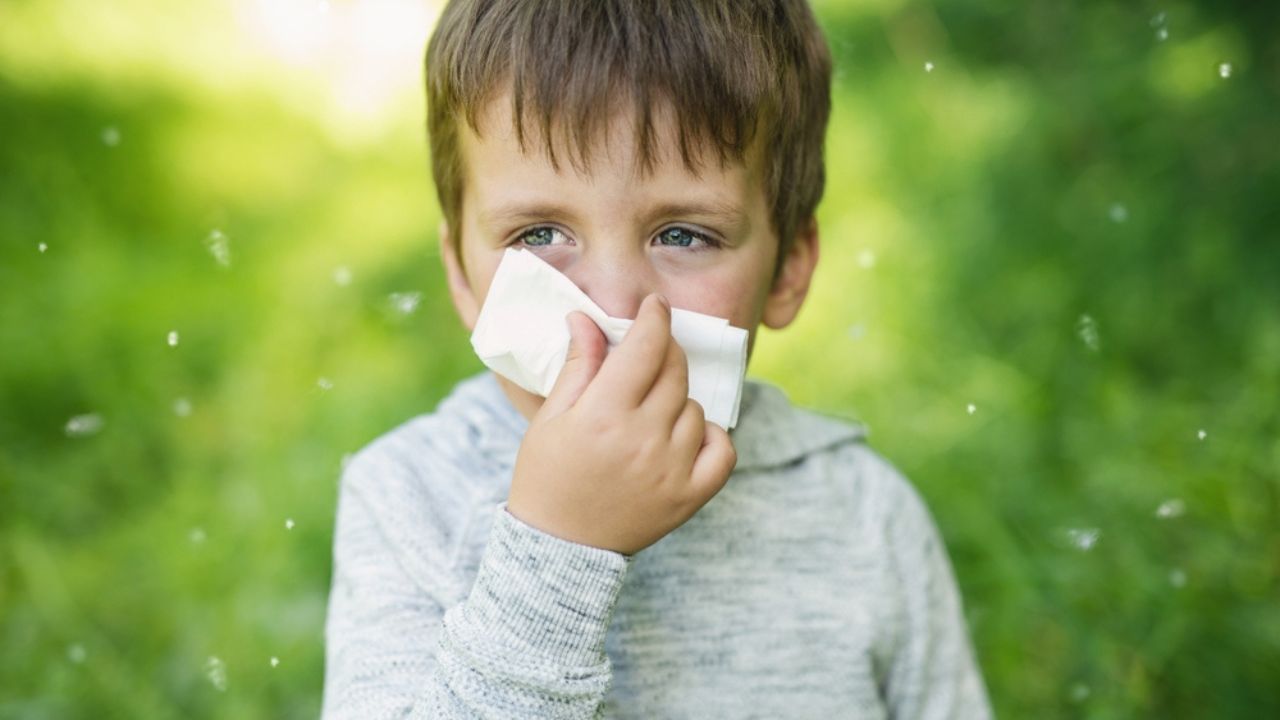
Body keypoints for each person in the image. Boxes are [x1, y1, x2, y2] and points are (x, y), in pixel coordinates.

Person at [321, 0, 992, 717]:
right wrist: (559, 547)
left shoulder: (866, 515)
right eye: (539, 234)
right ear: (459, 271)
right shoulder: (406, 499)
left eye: (682, 235)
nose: (615, 304)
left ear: (788, 269)